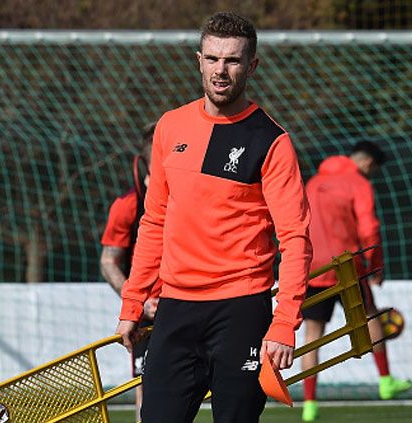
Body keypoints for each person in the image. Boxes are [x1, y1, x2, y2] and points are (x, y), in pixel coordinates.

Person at [115, 11, 312, 423]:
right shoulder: (170, 127)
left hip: (240, 310)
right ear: (199, 60)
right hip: (175, 309)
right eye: (212, 58)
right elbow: (154, 221)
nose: (220, 70)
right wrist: (133, 301)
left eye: (233, 60)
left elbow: (295, 240)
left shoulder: (272, 142)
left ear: (252, 65)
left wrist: (284, 324)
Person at [300, 141, 412, 422]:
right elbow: (369, 227)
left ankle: (309, 405)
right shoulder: (358, 184)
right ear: (367, 164)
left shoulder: (313, 183)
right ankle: (386, 382)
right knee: (370, 317)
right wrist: (375, 265)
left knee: (313, 336)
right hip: (347, 266)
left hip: (312, 266)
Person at [100, 122, 159, 422]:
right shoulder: (127, 206)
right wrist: (138, 301)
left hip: (194, 303)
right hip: (148, 314)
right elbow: (109, 261)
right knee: (147, 389)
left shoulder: (194, 198)